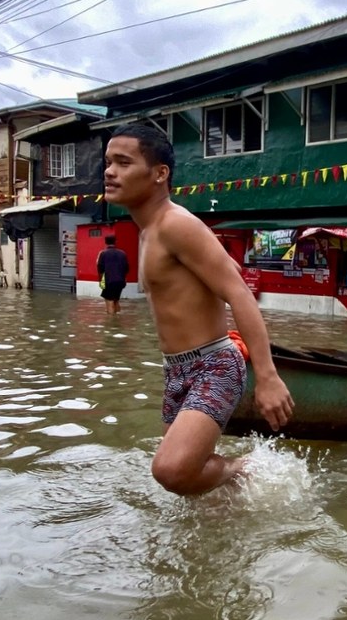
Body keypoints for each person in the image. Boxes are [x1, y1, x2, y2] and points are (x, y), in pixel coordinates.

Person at [103, 123, 294, 496]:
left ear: (160, 174)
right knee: (192, 489)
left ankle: (244, 468)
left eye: (124, 163)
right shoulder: (149, 230)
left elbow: (238, 291)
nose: (110, 171)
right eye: (108, 162)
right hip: (176, 370)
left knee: (171, 471)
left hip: (214, 365)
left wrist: (267, 377)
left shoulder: (177, 224)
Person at [96, 234, 129, 314]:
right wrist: (124, 279)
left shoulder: (103, 253)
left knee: (109, 301)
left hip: (109, 280)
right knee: (116, 300)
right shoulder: (122, 253)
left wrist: (100, 281)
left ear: (105, 242)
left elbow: (100, 268)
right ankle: (117, 318)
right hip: (120, 281)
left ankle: (111, 323)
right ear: (115, 242)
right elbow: (126, 268)